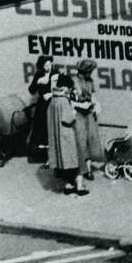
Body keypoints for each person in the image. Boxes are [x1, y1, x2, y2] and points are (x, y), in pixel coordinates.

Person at [46, 66, 87, 196]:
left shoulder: (53, 100)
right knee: (78, 159)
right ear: (66, 88)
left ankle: (68, 185)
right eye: (70, 88)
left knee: (65, 163)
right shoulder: (64, 101)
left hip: (57, 137)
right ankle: (80, 187)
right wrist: (74, 111)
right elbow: (68, 119)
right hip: (68, 136)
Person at [70, 60, 104, 182]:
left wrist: (96, 104)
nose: (91, 74)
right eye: (89, 71)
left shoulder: (90, 81)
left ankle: (88, 169)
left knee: (91, 139)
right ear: (83, 71)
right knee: (81, 140)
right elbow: (70, 98)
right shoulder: (74, 81)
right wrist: (78, 105)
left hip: (89, 113)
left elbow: (92, 95)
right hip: (78, 113)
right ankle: (83, 169)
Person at [26, 54, 52, 164]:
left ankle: (52, 156)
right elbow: (31, 90)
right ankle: (40, 156)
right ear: (42, 65)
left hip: (52, 102)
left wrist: (51, 94)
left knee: (51, 128)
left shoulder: (55, 73)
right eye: (46, 65)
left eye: (50, 64)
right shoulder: (39, 74)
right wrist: (38, 82)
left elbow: (62, 86)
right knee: (40, 128)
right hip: (42, 104)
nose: (49, 66)